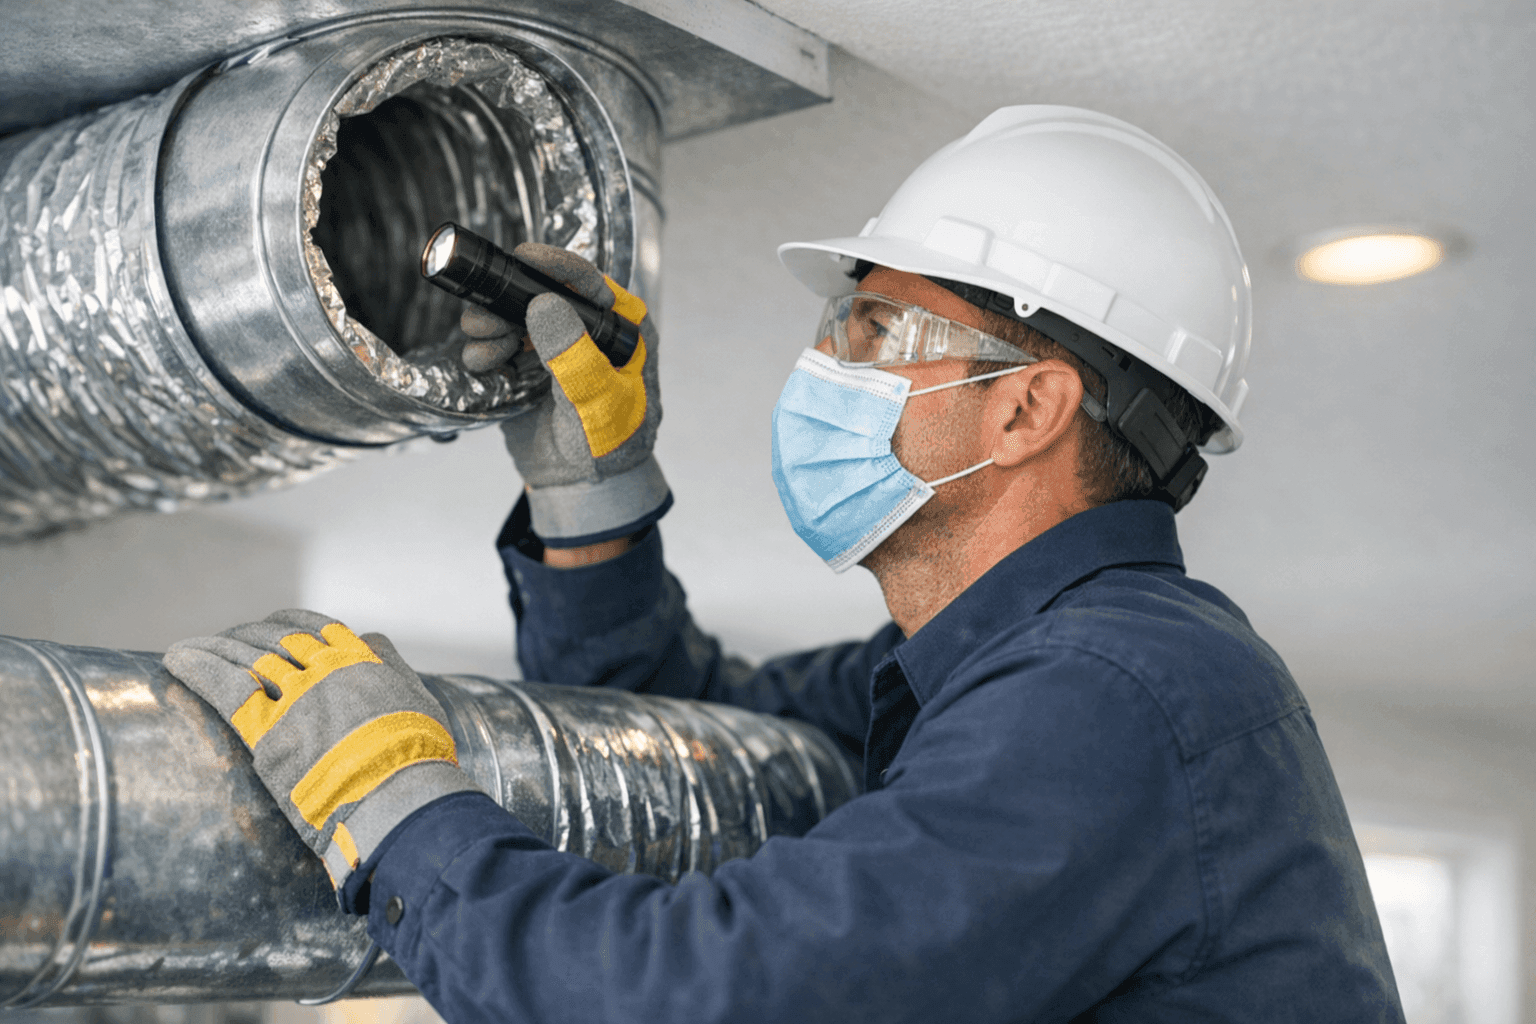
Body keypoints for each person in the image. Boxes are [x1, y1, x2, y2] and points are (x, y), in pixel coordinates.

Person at [164, 106, 1405, 1021]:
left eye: (875, 330)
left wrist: (396, 814)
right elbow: (679, 736)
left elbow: (718, 995)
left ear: (1027, 409)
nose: (826, 366)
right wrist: (593, 495)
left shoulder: (1116, 692)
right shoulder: (1006, 674)